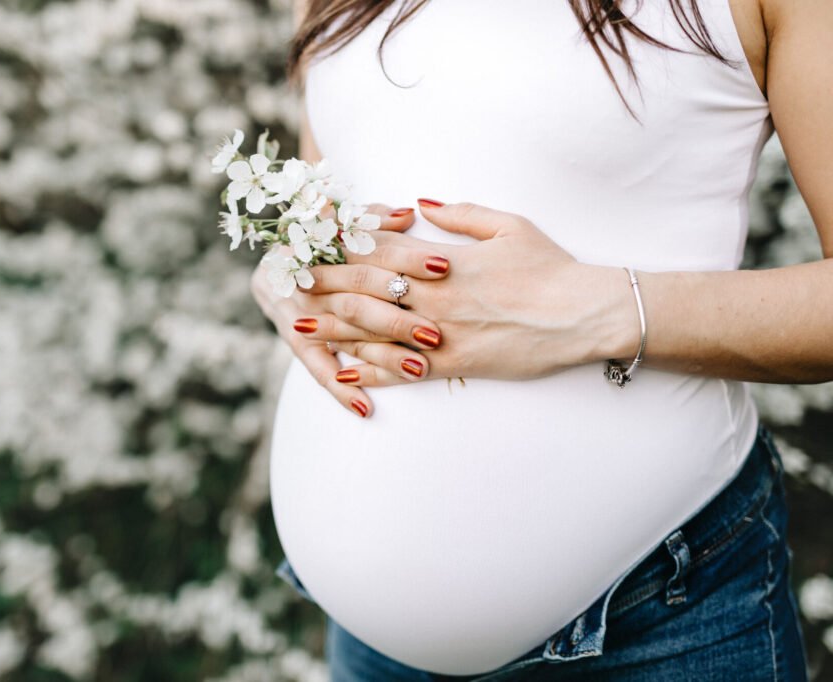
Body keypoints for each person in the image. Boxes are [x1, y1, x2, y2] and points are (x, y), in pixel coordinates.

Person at [251, 0, 829, 679]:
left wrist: (594, 310)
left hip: (662, 629)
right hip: (367, 642)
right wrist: (294, 266)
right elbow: (338, 177)